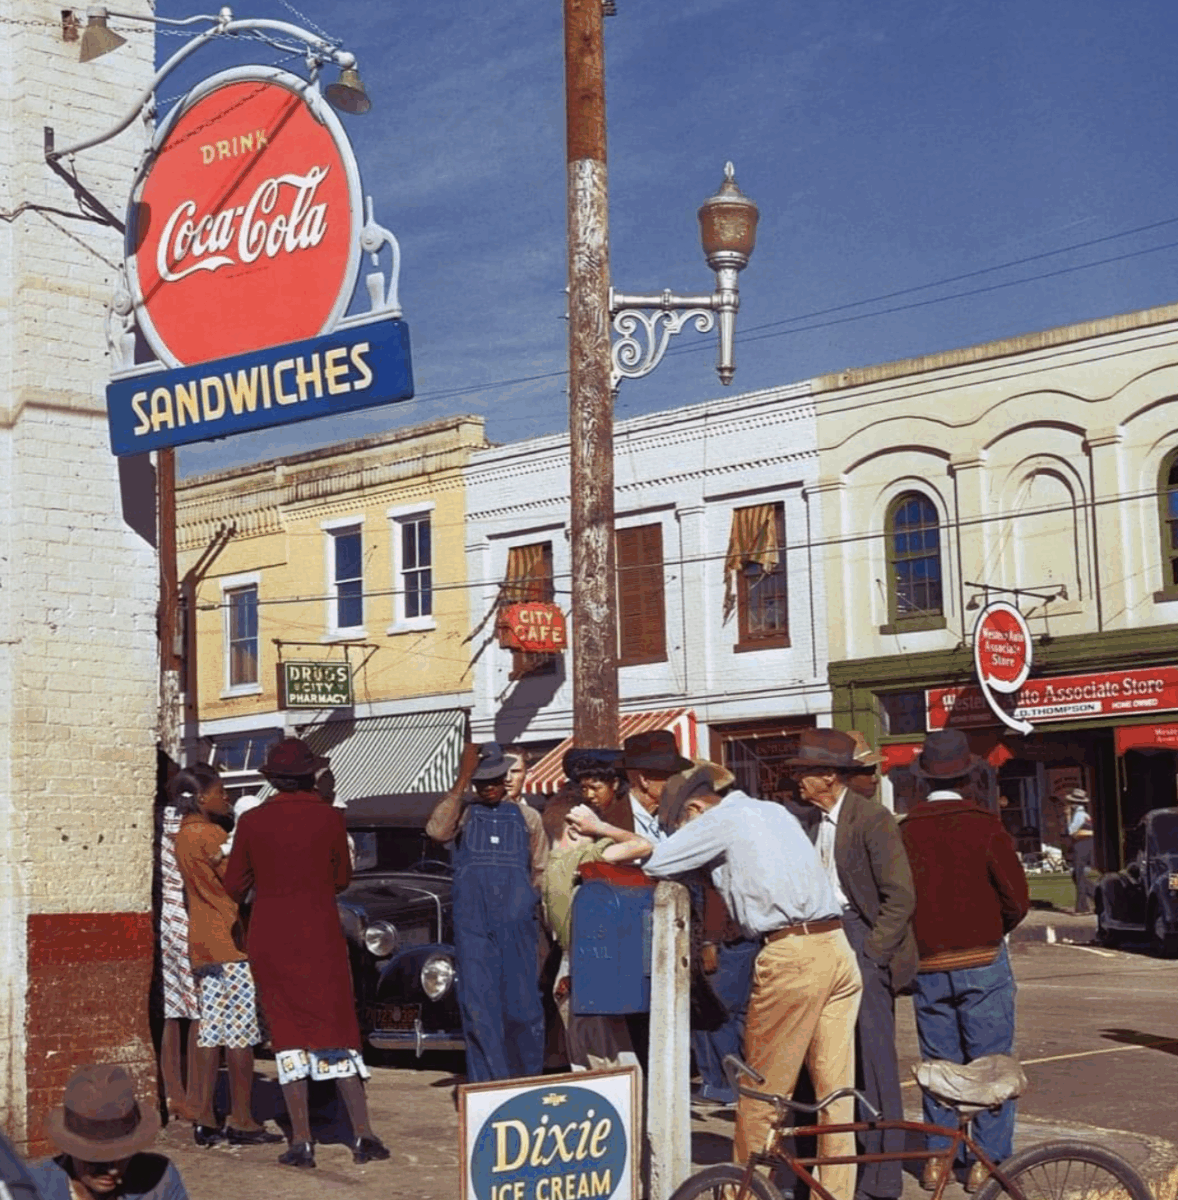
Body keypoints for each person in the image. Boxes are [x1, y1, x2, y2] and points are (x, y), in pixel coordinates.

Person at [587, 764, 863, 1200]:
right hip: (836, 947)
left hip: (790, 953)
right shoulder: (771, 812)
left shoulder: (718, 820)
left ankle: (745, 1193)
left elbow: (657, 859)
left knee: (761, 1090)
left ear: (695, 808)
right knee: (835, 1092)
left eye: (682, 826)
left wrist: (601, 833)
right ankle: (836, 1193)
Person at [223, 738, 389, 1170]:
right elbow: (341, 879)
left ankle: (301, 1140)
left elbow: (234, 885)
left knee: (288, 1032)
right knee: (336, 1027)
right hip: (319, 933)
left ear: (273, 780)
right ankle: (363, 1133)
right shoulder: (331, 819)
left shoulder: (254, 822)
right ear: (309, 776)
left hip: (272, 936)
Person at [900, 729, 1029, 1193]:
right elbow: (1017, 898)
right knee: (991, 1065)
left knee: (940, 1064)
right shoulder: (986, 825)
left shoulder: (906, 830)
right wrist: (992, 929)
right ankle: (987, 1162)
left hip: (929, 965)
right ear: (969, 777)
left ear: (923, 781)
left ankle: (938, 1157)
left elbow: (898, 901)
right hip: (983, 959)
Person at [790, 729, 917, 1200]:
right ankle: (821, 1168)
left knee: (874, 1059)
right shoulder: (808, 821)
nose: (797, 779)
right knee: (819, 1059)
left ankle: (882, 1179)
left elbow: (900, 896)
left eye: (805, 771)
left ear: (828, 776)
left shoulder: (872, 819)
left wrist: (873, 954)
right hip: (819, 940)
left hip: (861, 941)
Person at [170, 765, 280, 1148]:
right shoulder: (213, 836)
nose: (226, 798)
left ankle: (203, 1114)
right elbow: (238, 880)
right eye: (221, 792)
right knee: (241, 1034)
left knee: (210, 1030)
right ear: (202, 798)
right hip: (229, 940)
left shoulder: (182, 836)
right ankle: (244, 1118)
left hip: (201, 941)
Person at [426, 741, 549, 1082]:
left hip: (517, 927)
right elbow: (436, 831)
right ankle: (488, 1085)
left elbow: (541, 870)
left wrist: (526, 911)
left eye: (495, 780)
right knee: (479, 1008)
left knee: (523, 1008)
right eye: (482, 783)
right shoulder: (463, 812)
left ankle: (525, 1081)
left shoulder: (528, 818)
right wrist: (461, 781)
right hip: (474, 928)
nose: (490, 788)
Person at [540, 795, 647, 1070]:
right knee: (610, 1057)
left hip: (569, 966)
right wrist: (601, 828)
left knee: (586, 1056)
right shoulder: (580, 858)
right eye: (591, 826)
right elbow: (643, 845)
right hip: (588, 967)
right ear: (576, 829)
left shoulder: (552, 865)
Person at [28, 1063, 190, 1199]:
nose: (111, 1170)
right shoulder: (33, 1189)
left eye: (121, 1156)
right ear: (71, 1149)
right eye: (96, 1159)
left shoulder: (160, 1180)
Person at [155, 779, 200, 1123]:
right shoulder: (192, 826)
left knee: (173, 1012)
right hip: (189, 920)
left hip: (163, 923)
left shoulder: (154, 820)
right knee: (199, 1014)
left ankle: (174, 1093)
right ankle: (196, 1096)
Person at [622, 730, 694, 842]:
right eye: (672, 777)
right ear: (644, 780)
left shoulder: (670, 816)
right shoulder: (617, 819)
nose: (680, 783)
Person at [1064, 788, 1096, 914]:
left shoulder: (1079, 815)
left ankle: (1082, 907)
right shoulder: (1085, 814)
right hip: (1086, 844)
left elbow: (1071, 831)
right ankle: (1097, 896)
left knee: (1078, 874)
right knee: (1078, 875)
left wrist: (1067, 816)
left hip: (1082, 844)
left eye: (1071, 802)